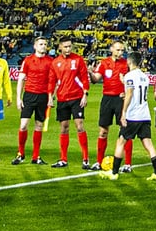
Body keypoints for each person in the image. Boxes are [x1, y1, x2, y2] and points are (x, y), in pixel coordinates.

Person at [100, 52, 156, 181]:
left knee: (121, 141)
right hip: (144, 115)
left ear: (129, 62)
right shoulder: (145, 77)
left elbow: (130, 94)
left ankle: (113, 173)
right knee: (149, 145)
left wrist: (123, 113)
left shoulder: (129, 76)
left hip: (133, 116)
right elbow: (138, 93)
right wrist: (125, 93)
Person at [50, 37, 92, 169]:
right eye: (66, 47)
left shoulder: (78, 60)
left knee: (79, 125)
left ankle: (85, 158)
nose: (68, 49)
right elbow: (52, 81)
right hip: (62, 98)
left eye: (70, 46)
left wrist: (85, 94)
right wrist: (50, 96)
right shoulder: (55, 62)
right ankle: (63, 159)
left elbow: (84, 77)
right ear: (60, 47)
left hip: (76, 97)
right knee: (64, 127)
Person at [91, 40, 132, 171]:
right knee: (103, 131)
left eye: (122, 50)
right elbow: (95, 79)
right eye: (118, 50)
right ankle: (98, 161)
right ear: (111, 49)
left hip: (121, 99)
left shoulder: (127, 64)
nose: (120, 52)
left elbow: (133, 82)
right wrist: (91, 72)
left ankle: (127, 164)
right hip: (107, 99)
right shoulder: (104, 63)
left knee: (125, 131)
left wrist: (126, 92)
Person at [14, 36, 54, 165]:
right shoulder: (28, 60)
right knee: (23, 125)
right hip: (29, 95)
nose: (43, 46)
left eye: (45, 44)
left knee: (39, 125)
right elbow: (20, 79)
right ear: (35, 46)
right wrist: (18, 98)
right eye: (41, 44)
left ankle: (36, 156)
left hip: (43, 96)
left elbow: (53, 81)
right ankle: (20, 154)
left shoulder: (50, 61)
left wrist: (50, 97)